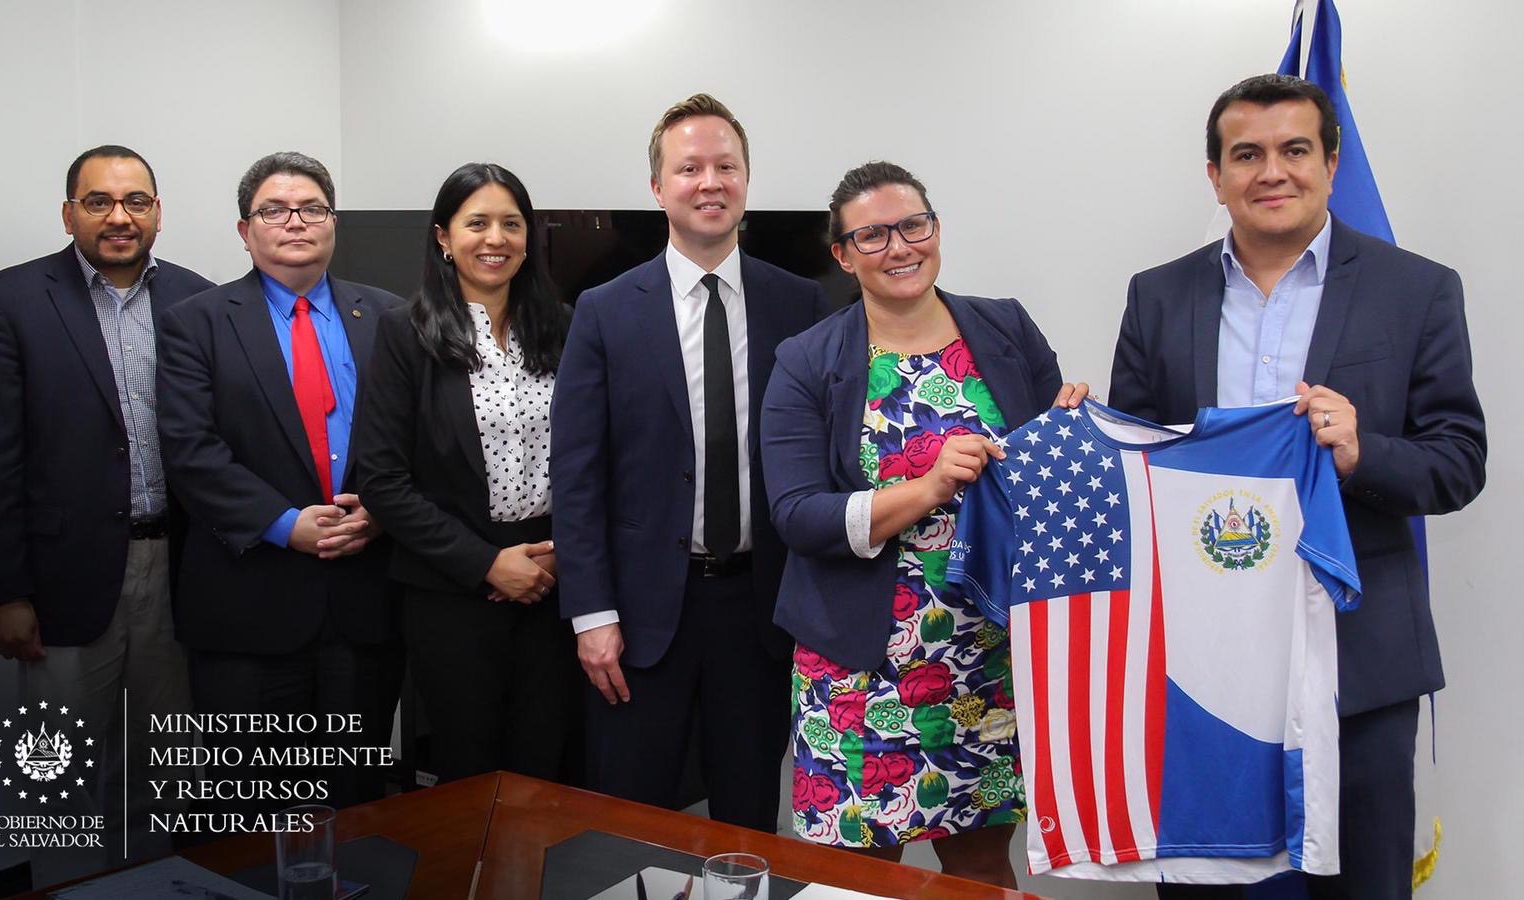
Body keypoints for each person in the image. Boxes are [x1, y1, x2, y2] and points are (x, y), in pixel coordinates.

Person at [1109, 74, 1486, 900]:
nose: (1271, 171)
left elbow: (1458, 461)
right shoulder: (1158, 295)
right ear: (1215, 174)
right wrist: (1083, 429)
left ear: (1331, 161)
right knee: (1212, 884)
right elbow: (1133, 466)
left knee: (1363, 887)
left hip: (1360, 659)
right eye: (1246, 154)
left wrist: (1363, 454)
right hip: (1204, 670)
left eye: (1294, 150)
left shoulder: (1417, 289)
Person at [759, 160, 1085, 886]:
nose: (900, 247)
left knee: (979, 868)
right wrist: (928, 486)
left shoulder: (1004, 326)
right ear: (841, 254)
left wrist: (1069, 434)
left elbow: (1035, 475)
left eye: (913, 225)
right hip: (856, 668)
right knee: (856, 877)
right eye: (871, 235)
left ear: (936, 229)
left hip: (985, 657)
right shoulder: (807, 361)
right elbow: (797, 514)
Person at [551, 93, 827, 830]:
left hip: (760, 613)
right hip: (638, 617)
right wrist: (591, 613)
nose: (710, 182)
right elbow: (576, 476)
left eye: (726, 166)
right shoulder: (604, 310)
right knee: (631, 824)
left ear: (746, 180)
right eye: (689, 168)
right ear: (657, 188)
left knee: (748, 819)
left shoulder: (799, 304)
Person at [0, 144, 212, 886]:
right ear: (69, 212)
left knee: (172, 769)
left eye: (136, 200)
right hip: (62, 581)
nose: (119, 217)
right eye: (98, 201)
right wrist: (6, 591)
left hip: (179, 574)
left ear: (158, 211)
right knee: (59, 774)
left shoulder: (198, 299)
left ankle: (166, 884)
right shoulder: (8, 301)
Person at [156, 151, 403, 816]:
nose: (295, 221)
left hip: (363, 602)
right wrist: (285, 524)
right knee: (252, 814)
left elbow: (418, 440)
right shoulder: (195, 322)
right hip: (247, 609)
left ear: (333, 222)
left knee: (358, 805)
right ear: (245, 230)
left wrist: (379, 512)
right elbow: (189, 450)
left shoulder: (389, 316)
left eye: (312, 208)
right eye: (274, 210)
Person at [355, 162, 575, 783]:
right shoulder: (406, 333)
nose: (495, 238)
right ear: (444, 238)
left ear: (529, 238)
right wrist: (486, 563)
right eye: (476, 223)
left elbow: (593, 453)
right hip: (452, 587)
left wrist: (563, 552)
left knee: (546, 763)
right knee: (467, 769)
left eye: (511, 223)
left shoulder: (565, 326)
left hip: (552, 576)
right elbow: (382, 479)